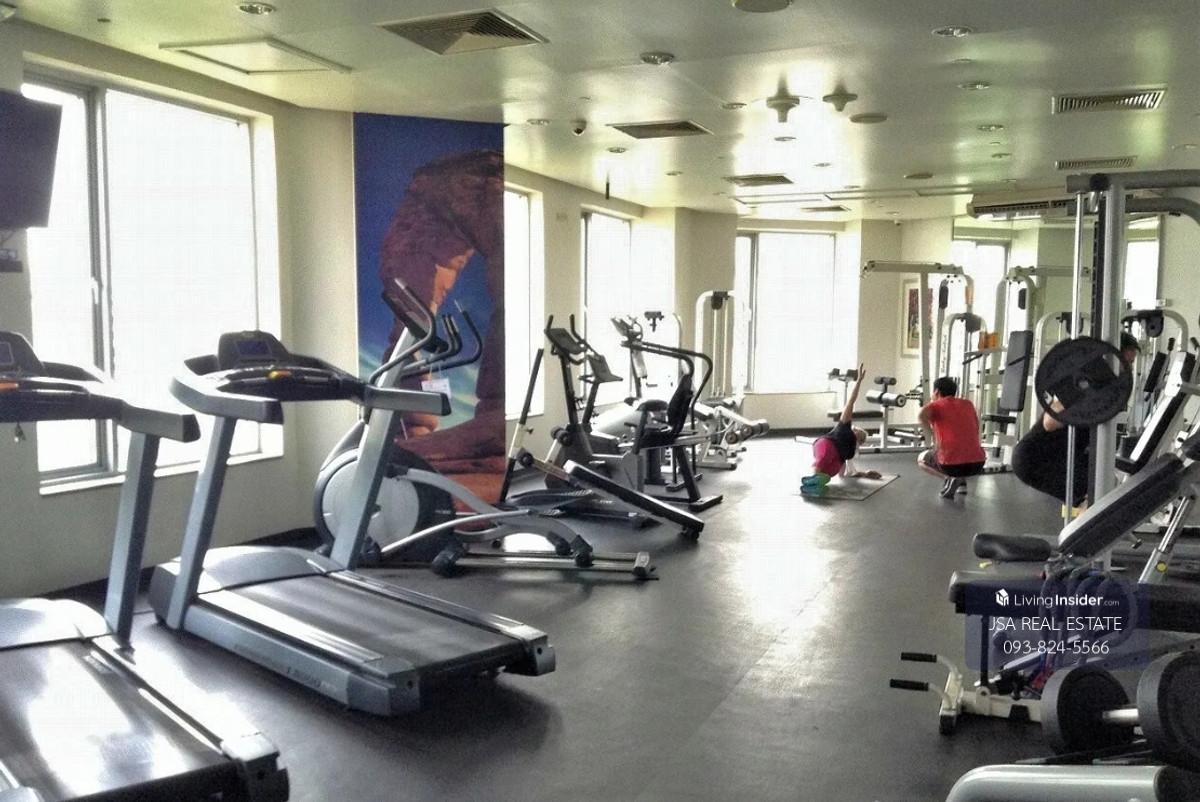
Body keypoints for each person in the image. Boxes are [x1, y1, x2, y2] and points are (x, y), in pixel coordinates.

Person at [1011, 331, 1140, 507]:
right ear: (1111, 358)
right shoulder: (1085, 383)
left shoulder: (1107, 391)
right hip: (1035, 460)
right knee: (1097, 496)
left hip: (1063, 457)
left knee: (1106, 486)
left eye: (1131, 364)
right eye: (1127, 362)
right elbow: (1049, 422)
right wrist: (1083, 391)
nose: (1129, 369)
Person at [802, 364, 882, 496]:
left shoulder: (849, 452)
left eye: (862, 441)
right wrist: (859, 381)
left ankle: (816, 483)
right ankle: (813, 479)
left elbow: (847, 474)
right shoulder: (845, 426)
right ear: (856, 431)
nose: (861, 440)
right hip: (826, 444)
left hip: (837, 456)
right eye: (861, 435)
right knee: (825, 456)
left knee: (834, 471)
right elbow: (851, 401)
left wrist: (866, 474)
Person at [916, 376, 987, 498]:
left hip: (950, 465)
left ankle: (949, 478)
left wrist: (933, 437)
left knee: (921, 459)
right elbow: (976, 427)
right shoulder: (968, 404)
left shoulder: (936, 405)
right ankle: (961, 484)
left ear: (936, 392)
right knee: (962, 452)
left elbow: (921, 416)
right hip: (978, 463)